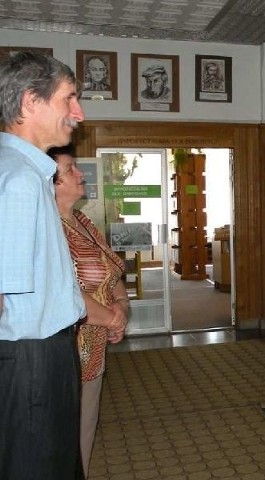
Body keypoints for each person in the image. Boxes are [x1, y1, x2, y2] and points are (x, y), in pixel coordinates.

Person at [0, 52, 87, 479]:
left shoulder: (24, 172)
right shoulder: (18, 180)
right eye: (69, 99)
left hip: (34, 354)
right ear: (31, 102)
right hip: (32, 358)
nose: (79, 113)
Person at [49, 144, 129, 476]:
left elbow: (113, 271)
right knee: (59, 439)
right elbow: (64, 292)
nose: (80, 173)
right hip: (64, 350)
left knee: (85, 431)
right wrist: (111, 317)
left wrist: (121, 307)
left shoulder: (82, 221)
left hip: (94, 348)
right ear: (50, 182)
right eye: (70, 170)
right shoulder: (48, 228)